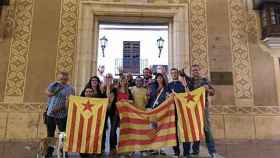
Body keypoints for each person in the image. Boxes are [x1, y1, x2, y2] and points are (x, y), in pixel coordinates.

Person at [183, 64, 217, 158]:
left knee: (207, 129)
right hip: (192, 108)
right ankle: (195, 149)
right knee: (194, 128)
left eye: (196, 70)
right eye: (193, 70)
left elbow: (213, 92)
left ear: (199, 71)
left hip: (203, 108)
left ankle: (212, 151)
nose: (195, 72)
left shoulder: (205, 80)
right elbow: (182, 75)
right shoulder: (190, 80)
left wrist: (208, 90)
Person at [45, 72, 75, 158]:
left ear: (68, 79)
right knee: (50, 134)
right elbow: (48, 93)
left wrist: (58, 109)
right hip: (50, 114)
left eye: (65, 79)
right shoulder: (54, 85)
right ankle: (49, 154)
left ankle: (63, 153)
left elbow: (69, 103)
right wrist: (57, 90)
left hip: (62, 115)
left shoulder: (70, 89)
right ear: (58, 78)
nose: (63, 81)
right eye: (61, 79)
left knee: (63, 135)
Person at [79, 76, 107, 158]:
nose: (94, 81)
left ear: (98, 82)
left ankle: (99, 151)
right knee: (86, 134)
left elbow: (105, 102)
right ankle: (85, 151)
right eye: (92, 80)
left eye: (96, 80)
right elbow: (80, 101)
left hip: (98, 117)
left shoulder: (101, 91)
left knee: (99, 134)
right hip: (86, 117)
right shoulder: (85, 90)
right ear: (90, 81)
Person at [168, 68, 186, 156]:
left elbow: (187, 95)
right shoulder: (168, 85)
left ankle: (186, 151)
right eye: (172, 73)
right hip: (173, 111)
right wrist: (168, 95)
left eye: (175, 73)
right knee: (174, 131)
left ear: (178, 74)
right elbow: (166, 96)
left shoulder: (183, 84)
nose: (174, 74)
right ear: (171, 75)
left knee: (184, 130)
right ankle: (176, 151)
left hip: (182, 110)